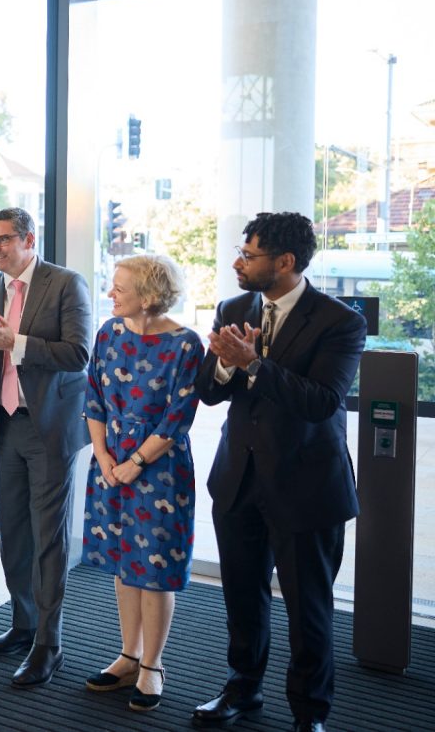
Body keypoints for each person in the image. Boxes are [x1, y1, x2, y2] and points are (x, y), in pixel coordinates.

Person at [191, 212, 365, 732]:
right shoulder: (234, 308)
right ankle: (242, 690)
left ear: (285, 261)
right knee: (242, 599)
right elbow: (209, 391)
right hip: (238, 480)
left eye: (249, 255)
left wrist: (252, 363)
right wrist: (226, 363)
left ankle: (310, 713)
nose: (237, 263)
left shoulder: (339, 321)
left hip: (306, 486)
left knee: (308, 610)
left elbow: (321, 401)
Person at [0, 207, 92, 688]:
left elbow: (79, 354)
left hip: (48, 428)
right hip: (4, 426)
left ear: (29, 240)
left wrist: (17, 343)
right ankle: (23, 624)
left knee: (48, 538)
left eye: (4, 240)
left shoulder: (65, 284)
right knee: (14, 533)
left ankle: (49, 645)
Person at [80, 254, 201, 712]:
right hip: (110, 463)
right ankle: (128, 655)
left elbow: (178, 416)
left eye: (120, 288)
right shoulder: (109, 333)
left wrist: (135, 462)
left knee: (155, 570)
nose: (110, 294)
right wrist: (102, 454)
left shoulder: (185, 345)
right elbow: (94, 397)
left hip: (161, 471)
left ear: (148, 297)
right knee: (123, 561)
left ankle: (153, 664)